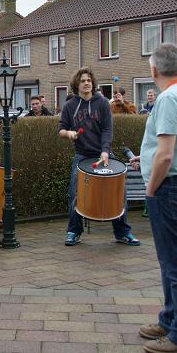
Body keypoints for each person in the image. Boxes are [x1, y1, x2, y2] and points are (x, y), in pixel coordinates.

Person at [129, 44, 177, 353]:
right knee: (172, 260)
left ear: (153, 70)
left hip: (170, 189)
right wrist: (146, 158)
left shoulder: (168, 100)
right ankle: (170, 320)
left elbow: (166, 155)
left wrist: (150, 189)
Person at [58, 67, 139, 247]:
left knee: (118, 191)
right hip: (82, 156)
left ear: (93, 83)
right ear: (77, 84)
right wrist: (69, 133)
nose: (86, 83)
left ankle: (122, 232)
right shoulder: (70, 106)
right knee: (74, 192)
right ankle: (74, 231)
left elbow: (107, 129)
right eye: (82, 81)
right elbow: (61, 129)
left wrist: (105, 150)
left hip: (103, 154)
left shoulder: (102, 102)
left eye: (89, 80)